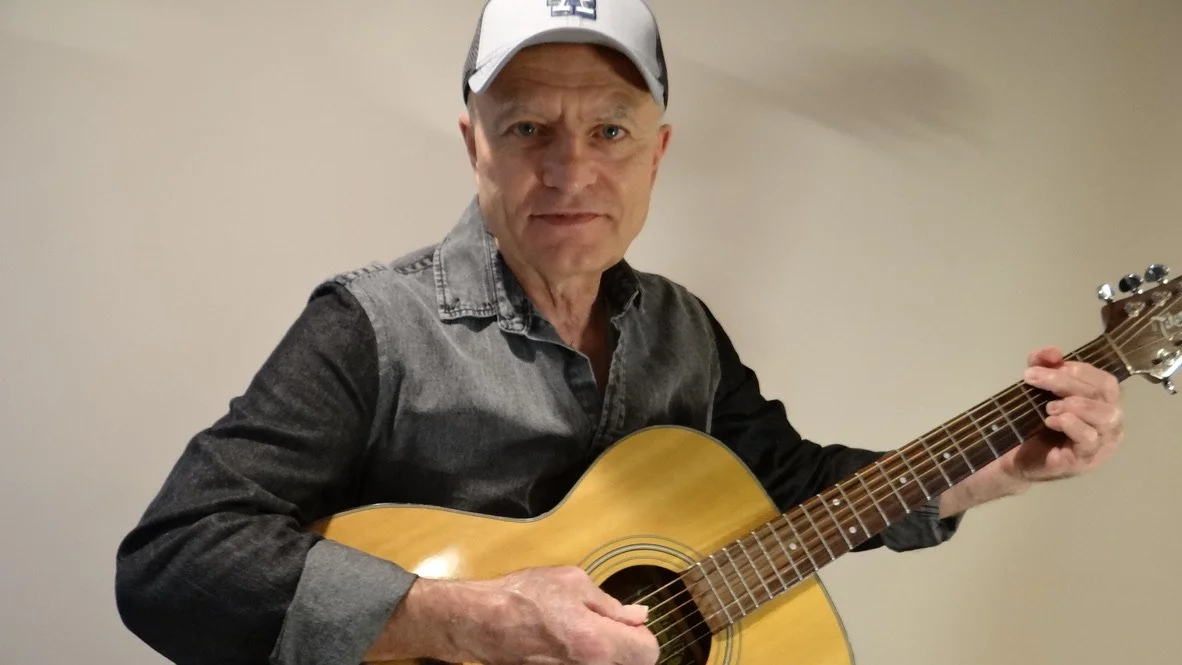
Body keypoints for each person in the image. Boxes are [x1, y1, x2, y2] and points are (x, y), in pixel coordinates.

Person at [114, 1, 1125, 664]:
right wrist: (468, 617)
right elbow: (173, 559)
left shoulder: (681, 327)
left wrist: (997, 465)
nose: (570, 172)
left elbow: (785, 488)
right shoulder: (371, 326)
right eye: (527, 128)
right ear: (475, 144)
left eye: (608, 130)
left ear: (658, 152)